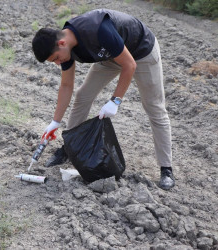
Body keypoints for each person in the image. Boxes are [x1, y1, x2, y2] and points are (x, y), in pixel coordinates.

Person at [32, 9, 175, 190]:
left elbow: (129, 64)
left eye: (56, 59)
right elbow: (67, 85)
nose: (58, 63)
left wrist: (115, 101)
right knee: (83, 95)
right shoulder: (66, 48)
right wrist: (55, 121)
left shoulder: (98, 30)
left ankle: (166, 169)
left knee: (154, 106)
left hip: (141, 51)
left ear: (61, 43)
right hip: (110, 56)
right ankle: (69, 148)